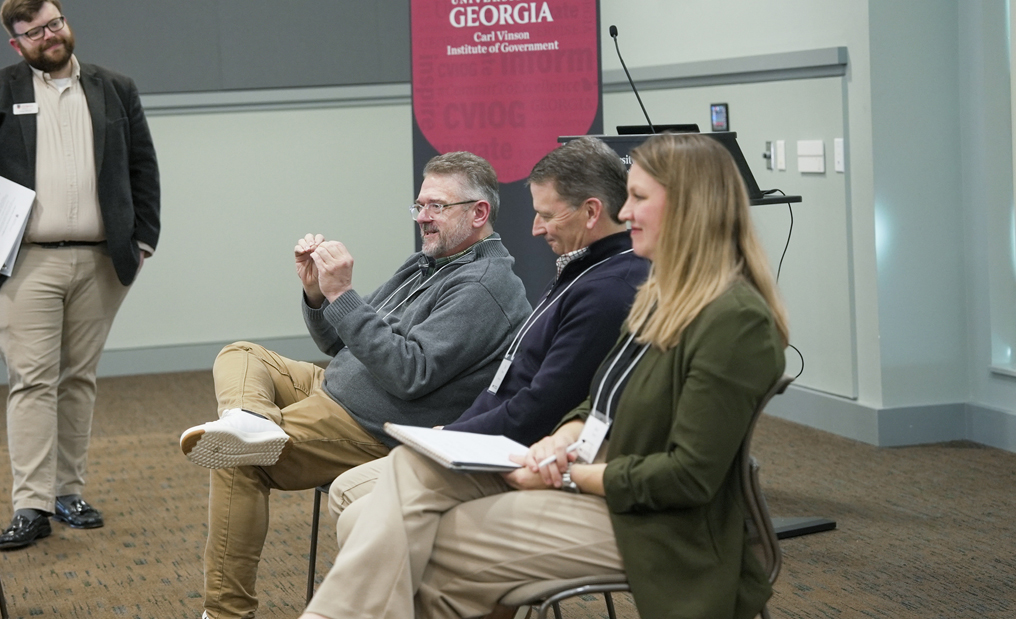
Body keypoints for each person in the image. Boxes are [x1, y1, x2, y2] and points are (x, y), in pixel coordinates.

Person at [298, 133, 790, 619]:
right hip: (593, 479)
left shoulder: (731, 318)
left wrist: (570, 470)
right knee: (413, 492)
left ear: (690, 209)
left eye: (639, 198)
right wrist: (571, 434)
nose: (627, 213)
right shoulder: (663, 294)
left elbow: (687, 479)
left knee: (423, 541)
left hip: (658, 526)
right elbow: (602, 399)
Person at [178, 151, 530, 619]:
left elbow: (409, 373)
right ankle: (253, 420)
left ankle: (225, 614)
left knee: (236, 458)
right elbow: (338, 342)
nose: (423, 217)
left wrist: (344, 295)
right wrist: (317, 293)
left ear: (478, 213)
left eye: (436, 207)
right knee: (240, 354)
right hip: (336, 386)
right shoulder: (430, 262)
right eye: (419, 205)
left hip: (372, 424)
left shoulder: (484, 286)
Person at [327, 136, 650, 519]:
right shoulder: (579, 269)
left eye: (547, 215)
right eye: (421, 205)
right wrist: (322, 297)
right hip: (480, 437)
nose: (534, 229)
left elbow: (541, 404)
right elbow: (516, 388)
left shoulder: (604, 288)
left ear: (592, 212)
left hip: (510, 452)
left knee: (356, 504)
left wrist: (452, 437)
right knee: (248, 363)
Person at [0, 0, 161, 550]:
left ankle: (69, 492)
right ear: (16, 43)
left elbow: (142, 167)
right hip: (26, 262)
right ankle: (31, 504)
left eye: (55, 23)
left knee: (78, 379)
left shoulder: (115, 89)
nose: (51, 36)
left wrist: (144, 240)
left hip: (100, 260)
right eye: (35, 32)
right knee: (33, 380)